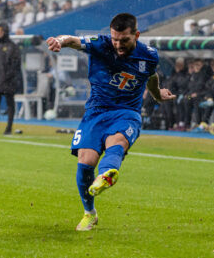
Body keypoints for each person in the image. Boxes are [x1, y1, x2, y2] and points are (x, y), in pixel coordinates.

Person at [46, 13, 175, 231]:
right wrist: (59, 41)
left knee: (117, 141)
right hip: (96, 112)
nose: (118, 44)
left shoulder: (150, 55)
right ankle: (90, 213)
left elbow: (151, 76)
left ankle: (107, 174)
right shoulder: (101, 44)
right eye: (115, 39)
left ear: (136, 35)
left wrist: (156, 94)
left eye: (123, 40)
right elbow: (72, 40)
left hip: (127, 112)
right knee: (85, 162)